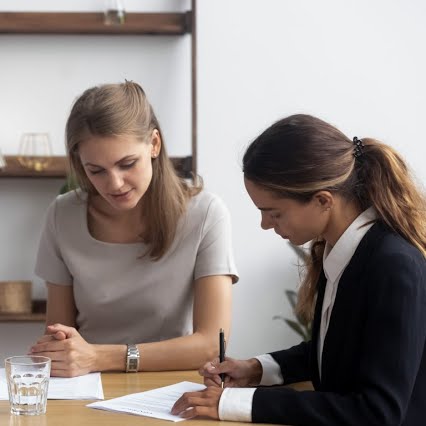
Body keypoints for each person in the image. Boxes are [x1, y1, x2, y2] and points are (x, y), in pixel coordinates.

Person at [172, 114, 426, 425]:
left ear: (322, 201)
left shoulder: (393, 266)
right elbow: (333, 354)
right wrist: (257, 368)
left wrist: (241, 403)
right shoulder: (339, 251)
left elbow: (377, 411)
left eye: (274, 213)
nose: (265, 225)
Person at [30, 81, 238, 377]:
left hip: (171, 386)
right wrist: (68, 355)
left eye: (127, 164)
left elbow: (211, 345)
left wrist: (101, 357)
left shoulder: (205, 214)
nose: (114, 184)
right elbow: (60, 336)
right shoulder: (62, 214)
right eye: (96, 171)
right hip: (86, 386)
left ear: (154, 144)